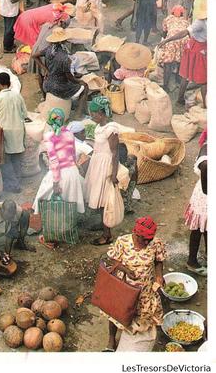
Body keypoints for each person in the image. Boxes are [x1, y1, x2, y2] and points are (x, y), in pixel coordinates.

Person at [103, 216, 166, 352]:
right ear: (136, 234)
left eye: (149, 239)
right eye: (144, 239)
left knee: (140, 313)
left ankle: (135, 334)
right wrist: (125, 269)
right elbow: (112, 260)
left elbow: (158, 261)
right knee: (116, 313)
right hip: (124, 287)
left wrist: (159, 276)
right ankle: (111, 339)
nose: (147, 242)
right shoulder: (123, 242)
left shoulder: (155, 243)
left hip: (145, 289)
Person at [33, 108, 85, 219]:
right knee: (70, 203)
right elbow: (73, 153)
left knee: (43, 199)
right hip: (72, 172)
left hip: (60, 174)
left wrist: (56, 183)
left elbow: (54, 162)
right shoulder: (70, 134)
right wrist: (77, 166)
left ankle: (52, 224)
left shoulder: (49, 137)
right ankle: (69, 226)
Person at [84, 96, 122, 246]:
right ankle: (104, 226)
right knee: (99, 198)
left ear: (101, 113)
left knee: (105, 201)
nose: (92, 116)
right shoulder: (99, 127)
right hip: (97, 163)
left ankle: (107, 235)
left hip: (106, 166)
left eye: (93, 113)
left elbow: (115, 153)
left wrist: (113, 174)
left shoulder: (111, 129)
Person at [32, 27, 88, 116]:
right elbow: (69, 77)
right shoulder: (64, 58)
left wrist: (45, 69)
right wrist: (79, 81)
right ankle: (78, 114)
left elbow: (34, 56)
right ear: (63, 40)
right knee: (85, 86)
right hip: (59, 87)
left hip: (47, 84)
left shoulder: (49, 49)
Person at [157, 8, 207, 108]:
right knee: (203, 80)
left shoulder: (174, 19)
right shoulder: (200, 23)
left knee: (187, 76)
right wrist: (167, 40)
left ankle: (180, 98)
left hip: (199, 48)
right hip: (195, 49)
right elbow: (184, 32)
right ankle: (204, 106)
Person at [0, 72, 28, 193]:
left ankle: (14, 185)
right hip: (19, 130)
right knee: (17, 157)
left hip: (6, 132)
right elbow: (25, 115)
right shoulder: (18, 95)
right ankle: (17, 179)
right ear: (10, 83)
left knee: (5, 160)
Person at [157, 6, 190, 92]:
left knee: (168, 64)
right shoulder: (186, 21)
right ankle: (178, 80)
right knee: (181, 61)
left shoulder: (167, 19)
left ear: (172, 12)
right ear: (182, 13)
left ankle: (165, 85)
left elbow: (164, 33)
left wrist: (164, 40)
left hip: (171, 40)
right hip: (184, 40)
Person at [185, 150, 207, 276]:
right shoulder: (206, 163)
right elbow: (207, 190)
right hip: (205, 198)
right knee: (199, 229)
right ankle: (192, 261)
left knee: (204, 229)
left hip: (203, 195)